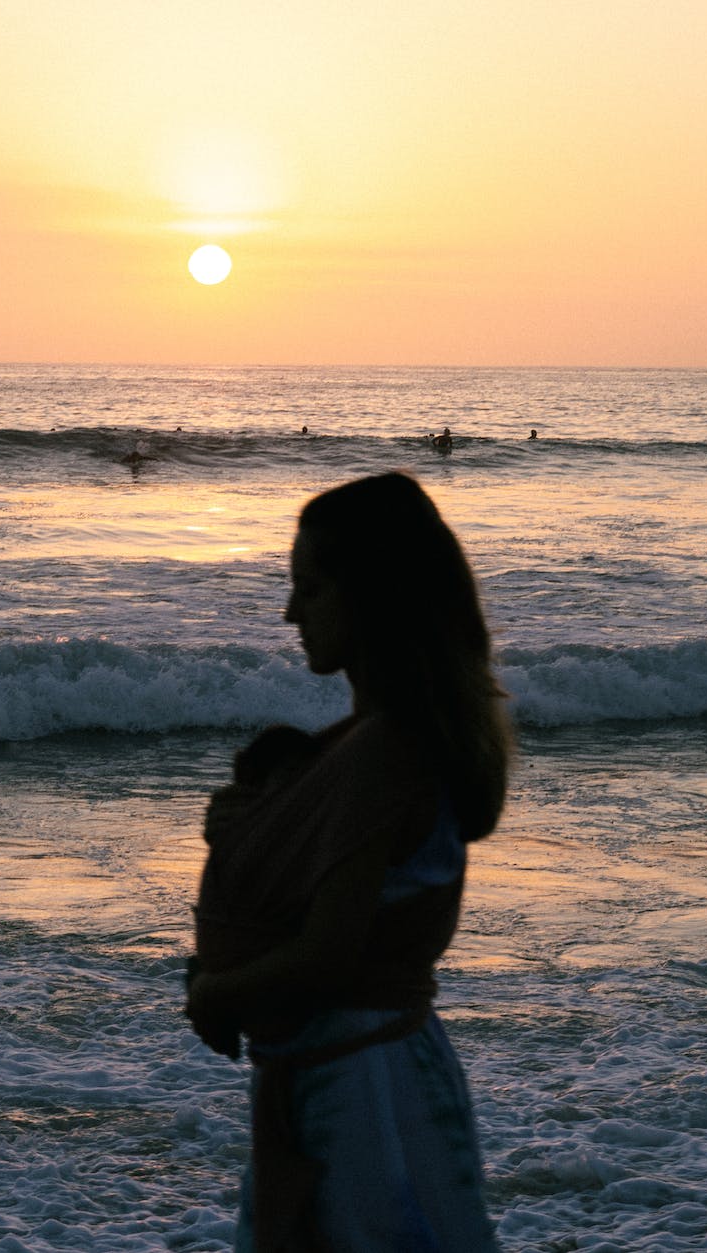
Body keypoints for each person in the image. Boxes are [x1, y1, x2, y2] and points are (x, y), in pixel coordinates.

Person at [189, 472, 508, 1251]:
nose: (290, 613)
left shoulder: (388, 753)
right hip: (357, 1070)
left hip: (366, 1097)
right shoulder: (382, 744)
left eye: (311, 589)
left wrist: (215, 992)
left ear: (370, 596)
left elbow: (329, 953)